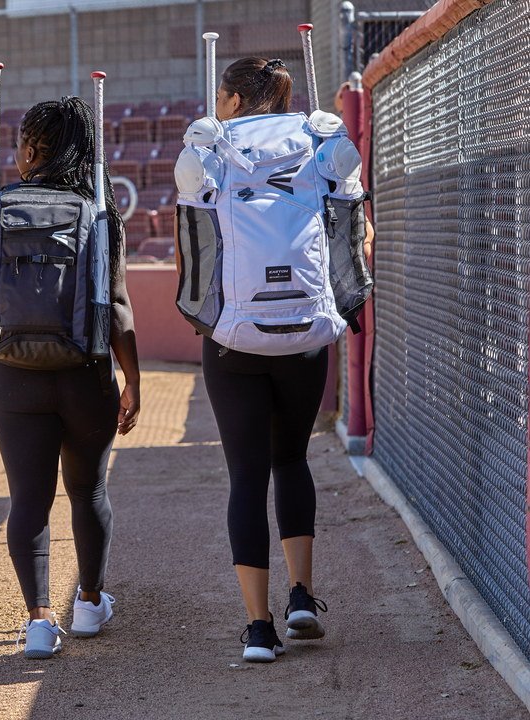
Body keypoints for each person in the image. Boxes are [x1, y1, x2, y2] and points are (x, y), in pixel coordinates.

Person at [204, 57, 373, 662]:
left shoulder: (214, 142)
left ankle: (258, 629)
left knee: (246, 476)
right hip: (305, 332)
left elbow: (189, 222)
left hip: (235, 336)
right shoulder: (321, 136)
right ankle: (302, 595)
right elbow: (356, 217)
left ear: (233, 99)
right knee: (291, 459)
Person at [0, 97, 141, 658]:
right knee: (88, 488)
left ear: (32, 148)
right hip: (86, 373)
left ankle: (39, 623)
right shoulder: (98, 210)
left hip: (15, 376)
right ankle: (89, 604)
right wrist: (132, 377)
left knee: (28, 498)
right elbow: (116, 308)